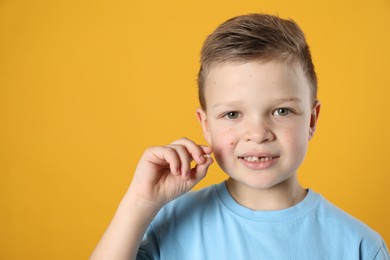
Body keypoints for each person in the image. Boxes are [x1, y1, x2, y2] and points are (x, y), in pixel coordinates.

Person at [91, 13, 389, 259]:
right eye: (233, 114)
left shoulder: (359, 246)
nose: (258, 134)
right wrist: (140, 201)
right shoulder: (167, 223)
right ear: (206, 125)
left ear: (311, 119)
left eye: (282, 111)